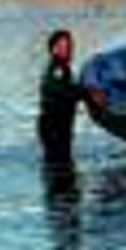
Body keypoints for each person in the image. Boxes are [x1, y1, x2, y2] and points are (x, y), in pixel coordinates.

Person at [39, 29, 83, 166]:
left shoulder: (63, 68)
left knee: (60, 163)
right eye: (64, 47)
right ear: (53, 49)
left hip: (58, 126)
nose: (69, 50)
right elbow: (63, 91)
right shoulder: (57, 69)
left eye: (70, 47)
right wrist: (88, 93)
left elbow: (69, 90)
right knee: (59, 165)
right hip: (54, 128)